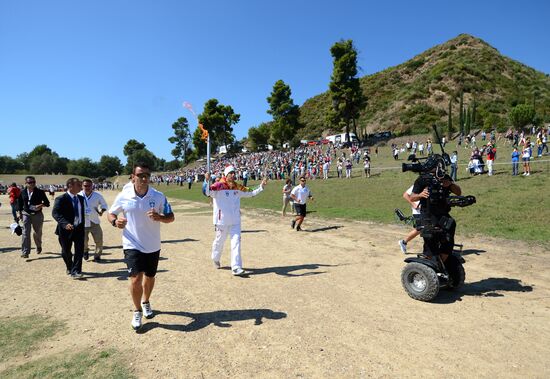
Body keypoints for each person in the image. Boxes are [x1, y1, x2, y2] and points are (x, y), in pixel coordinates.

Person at [108, 163, 175, 331]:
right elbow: (111, 214)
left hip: (152, 244)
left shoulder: (158, 196)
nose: (144, 178)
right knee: (136, 278)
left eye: (146, 175)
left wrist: (160, 217)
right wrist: (116, 222)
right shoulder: (124, 195)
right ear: (133, 177)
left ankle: (146, 302)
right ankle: (137, 310)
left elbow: (171, 217)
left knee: (150, 277)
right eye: (140, 175)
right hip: (132, 243)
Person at [203, 166, 267, 276]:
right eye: (231, 173)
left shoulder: (238, 187)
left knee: (236, 243)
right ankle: (215, 258)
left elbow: (250, 192)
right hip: (221, 221)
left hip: (235, 221)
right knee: (219, 242)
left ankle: (236, 267)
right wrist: (206, 181)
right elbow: (207, 192)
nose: (233, 175)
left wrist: (261, 187)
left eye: (234, 173)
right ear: (226, 174)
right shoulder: (218, 186)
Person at [409, 156, 461, 261]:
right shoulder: (422, 179)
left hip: (443, 213)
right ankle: (429, 262)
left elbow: (458, 192)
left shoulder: (445, 177)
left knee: (449, 231)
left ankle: (442, 262)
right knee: (430, 236)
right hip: (427, 213)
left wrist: (450, 184)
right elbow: (412, 197)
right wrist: (421, 195)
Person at [52, 178, 86, 279]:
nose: (81, 187)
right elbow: (55, 213)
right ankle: (69, 266)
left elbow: (81, 213)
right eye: (79, 185)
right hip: (66, 229)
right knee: (66, 251)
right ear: (70, 186)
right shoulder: (61, 199)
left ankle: (76, 271)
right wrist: (64, 223)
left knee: (79, 250)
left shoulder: (81, 198)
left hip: (79, 228)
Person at [17, 176, 50, 258]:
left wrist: (41, 205)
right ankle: (25, 252)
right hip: (26, 214)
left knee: (37, 233)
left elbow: (47, 203)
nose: (32, 184)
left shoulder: (40, 192)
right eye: (30, 182)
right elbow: (20, 204)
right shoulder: (22, 192)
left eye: (33, 182)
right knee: (25, 233)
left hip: (37, 214)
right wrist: (19, 213)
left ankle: (38, 246)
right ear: (26, 183)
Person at [79, 179, 108, 262]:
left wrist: (101, 211)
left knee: (99, 240)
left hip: (94, 221)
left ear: (92, 186)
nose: (87, 187)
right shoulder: (78, 195)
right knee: (83, 240)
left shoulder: (97, 195)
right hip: (83, 222)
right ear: (82, 186)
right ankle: (85, 251)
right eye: (85, 185)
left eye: (89, 185)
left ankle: (97, 255)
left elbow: (104, 204)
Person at [398, 185, 421, 254]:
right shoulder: (418, 184)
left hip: (428, 211)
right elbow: (405, 195)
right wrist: (413, 204)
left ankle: (404, 242)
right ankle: (404, 242)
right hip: (418, 212)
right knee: (420, 228)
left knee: (423, 229)